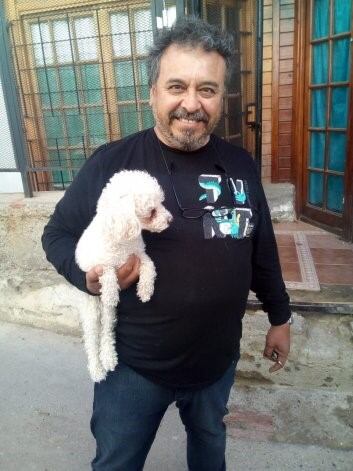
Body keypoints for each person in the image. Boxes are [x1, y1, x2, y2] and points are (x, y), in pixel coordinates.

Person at [42, 16, 291, 471]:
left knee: (210, 449)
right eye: (176, 86)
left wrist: (280, 317)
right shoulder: (112, 163)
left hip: (216, 364)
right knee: (116, 461)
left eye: (208, 90)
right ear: (153, 92)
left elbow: (261, 249)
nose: (191, 104)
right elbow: (56, 234)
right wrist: (88, 278)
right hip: (134, 368)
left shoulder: (240, 164)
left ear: (222, 97)